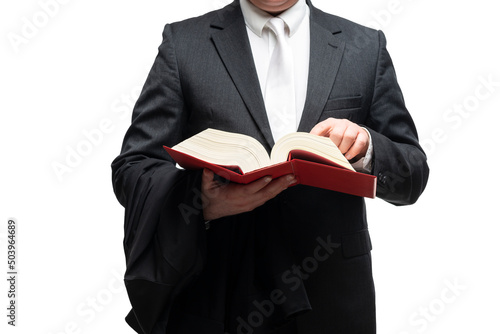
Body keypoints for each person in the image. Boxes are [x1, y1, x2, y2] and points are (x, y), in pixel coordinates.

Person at [111, 0, 429, 333]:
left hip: (334, 297)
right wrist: (201, 201)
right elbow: (133, 168)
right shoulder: (184, 42)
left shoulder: (364, 45)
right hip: (222, 294)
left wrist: (366, 146)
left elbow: (413, 176)